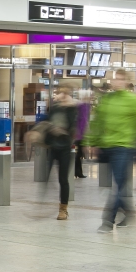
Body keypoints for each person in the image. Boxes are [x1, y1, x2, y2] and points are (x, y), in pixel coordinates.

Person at [85, 70, 136, 233]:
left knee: (118, 185)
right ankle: (129, 214)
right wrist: (92, 143)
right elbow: (97, 123)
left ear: (127, 82)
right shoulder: (105, 100)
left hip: (125, 147)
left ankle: (107, 220)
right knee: (121, 185)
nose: (117, 82)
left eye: (120, 79)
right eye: (114, 79)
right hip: (108, 146)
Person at [41, 87, 79, 220]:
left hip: (65, 148)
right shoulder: (54, 108)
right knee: (46, 177)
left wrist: (69, 106)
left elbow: (72, 126)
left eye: (65, 93)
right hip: (52, 146)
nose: (62, 95)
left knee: (63, 179)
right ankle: (41, 204)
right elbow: (46, 122)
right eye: (60, 92)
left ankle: (63, 209)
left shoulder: (72, 109)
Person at [74, 94, 89, 179]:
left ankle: (78, 172)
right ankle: (78, 172)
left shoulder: (81, 107)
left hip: (78, 136)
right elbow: (83, 123)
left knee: (78, 155)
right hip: (78, 137)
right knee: (77, 155)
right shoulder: (83, 107)